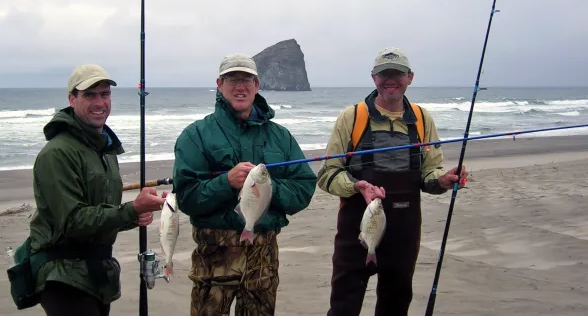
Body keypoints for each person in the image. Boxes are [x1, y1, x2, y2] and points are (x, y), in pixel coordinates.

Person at [316, 47, 468, 316]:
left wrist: (443, 180)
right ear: (374, 78)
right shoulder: (352, 118)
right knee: (344, 305)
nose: (390, 80)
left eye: (397, 74)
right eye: (383, 74)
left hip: (404, 232)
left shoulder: (422, 119)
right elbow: (328, 175)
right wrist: (356, 186)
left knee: (396, 303)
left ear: (410, 77)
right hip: (356, 230)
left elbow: (429, 174)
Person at [172, 53, 317, 316]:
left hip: (264, 257)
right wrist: (225, 182)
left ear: (257, 85)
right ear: (219, 84)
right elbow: (186, 198)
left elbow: (304, 188)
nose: (240, 87)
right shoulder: (196, 135)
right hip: (214, 257)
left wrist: (267, 190)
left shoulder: (280, 137)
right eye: (232, 80)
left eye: (247, 80)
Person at [26, 64, 167, 316]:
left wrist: (136, 215)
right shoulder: (57, 153)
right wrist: (131, 209)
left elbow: (103, 214)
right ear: (72, 99)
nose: (99, 102)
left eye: (104, 94)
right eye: (89, 95)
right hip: (63, 275)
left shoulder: (104, 151)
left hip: (97, 273)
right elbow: (73, 221)